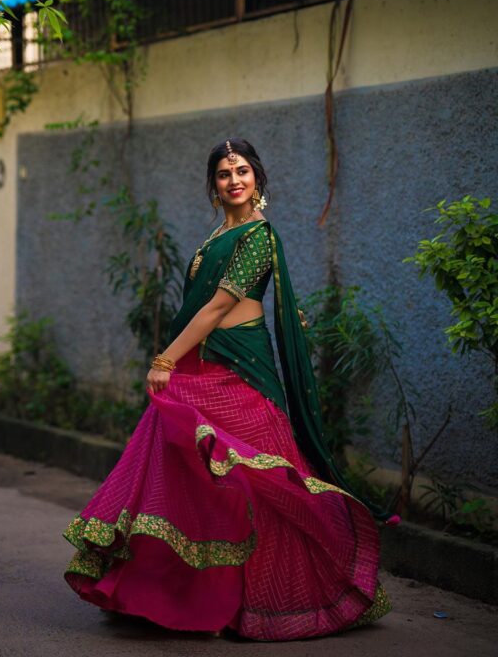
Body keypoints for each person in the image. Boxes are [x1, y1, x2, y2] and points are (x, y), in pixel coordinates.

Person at [62, 137, 400, 641]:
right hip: (207, 363)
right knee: (189, 461)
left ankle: (272, 598)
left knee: (257, 478)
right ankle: (179, 591)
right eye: (224, 173)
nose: (234, 180)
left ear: (257, 178)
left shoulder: (257, 237)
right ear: (214, 185)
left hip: (240, 371)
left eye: (242, 170)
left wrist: (165, 358)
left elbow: (219, 308)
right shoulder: (219, 234)